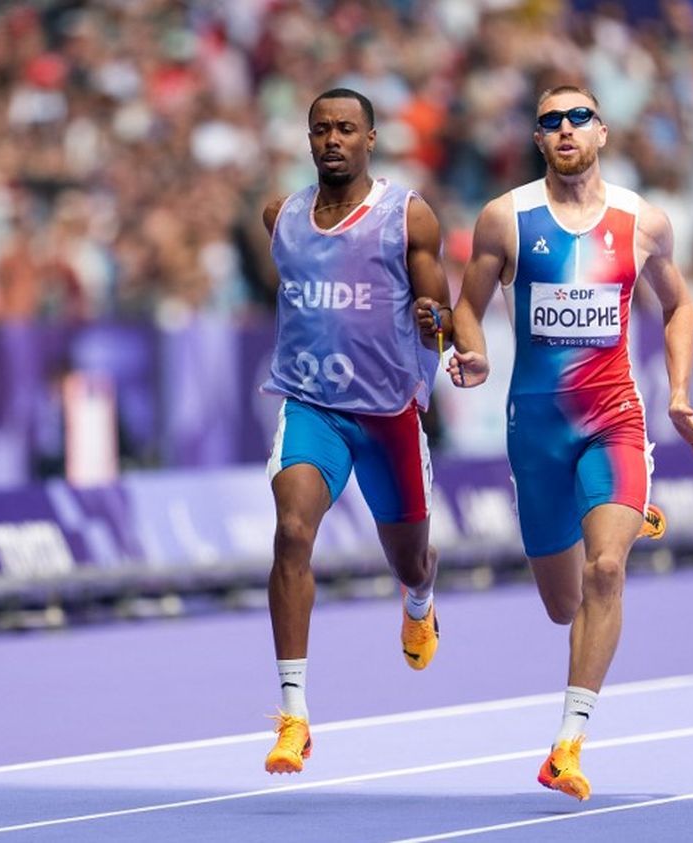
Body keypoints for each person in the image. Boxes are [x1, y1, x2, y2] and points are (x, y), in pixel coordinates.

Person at [446, 86, 693, 800]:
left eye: (578, 118)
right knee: (563, 605)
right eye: (550, 121)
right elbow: (465, 310)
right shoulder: (506, 219)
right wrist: (468, 351)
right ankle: (621, 510)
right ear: (538, 139)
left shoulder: (642, 221)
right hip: (535, 432)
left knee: (604, 573)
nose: (565, 129)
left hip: (614, 418)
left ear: (603, 131)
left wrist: (678, 391)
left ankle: (568, 743)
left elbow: (680, 304)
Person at [260, 88, 453, 775]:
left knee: (410, 559)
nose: (331, 139)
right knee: (292, 532)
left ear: (371, 139)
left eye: (345, 129)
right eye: (320, 129)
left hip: (388, 418)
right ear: (308, 139)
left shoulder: (408, 215)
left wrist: (436, 318)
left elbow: (437, 302)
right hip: (312, 407)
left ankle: (419, 601)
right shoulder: (280, 216)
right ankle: (293, 715)